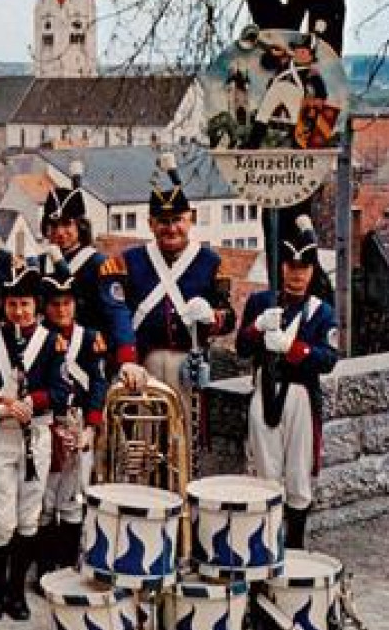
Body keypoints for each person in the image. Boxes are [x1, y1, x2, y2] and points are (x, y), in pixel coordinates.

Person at [0, 262, 67, 622]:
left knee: (29, 517)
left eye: (25, 303)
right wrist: (0, 407)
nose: (19, 311)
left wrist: (32, 403)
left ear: (36, 305)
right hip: (1, 439)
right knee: (0, 521)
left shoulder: (51, 341)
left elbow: (60, 390)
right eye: (12, 304)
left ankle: (15, 593)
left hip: (37, 435)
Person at [236, 215, 340, 551]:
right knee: (265, 475)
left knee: (297, 477)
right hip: (265, 388)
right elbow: (240, 347)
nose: (297, 275)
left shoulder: (321, 312)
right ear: (282, 268)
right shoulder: (260, 303)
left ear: (311, 272)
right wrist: (257, 328)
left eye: (304, 268)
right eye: (292, 267)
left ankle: (294, 547)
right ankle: (265, 546)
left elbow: (328, 359)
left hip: (300, 397)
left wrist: (292, 348)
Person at [117, 158, 235, 416]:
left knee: (184, 440)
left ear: (190, 219)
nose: (171, 228)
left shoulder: (210, 261)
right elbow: (119, 313)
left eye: (177, 220)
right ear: (151, 224)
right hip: (142, 364)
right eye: (163, 221)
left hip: (187, 364)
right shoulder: (130, 261)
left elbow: (229, 319)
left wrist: (211, 317)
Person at [37, 248, 110, 579]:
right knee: (43, 498)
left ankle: (67, 567)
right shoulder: (39, 339)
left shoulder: (90, 339)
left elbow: (97, 386)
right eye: (54, 303)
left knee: (73, 496)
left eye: (67, 302)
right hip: (46, 424)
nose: (61, 309)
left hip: (78, 422)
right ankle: (43, 567)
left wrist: (90, 430)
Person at [41, 160, 136, 368]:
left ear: (80, 227)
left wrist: (126, 356)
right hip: (46, 356)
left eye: (67, 224)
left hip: (88, 354)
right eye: (53, 225)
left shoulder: (99, 264)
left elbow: (116, 312)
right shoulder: (40, 264)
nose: (59, 233)